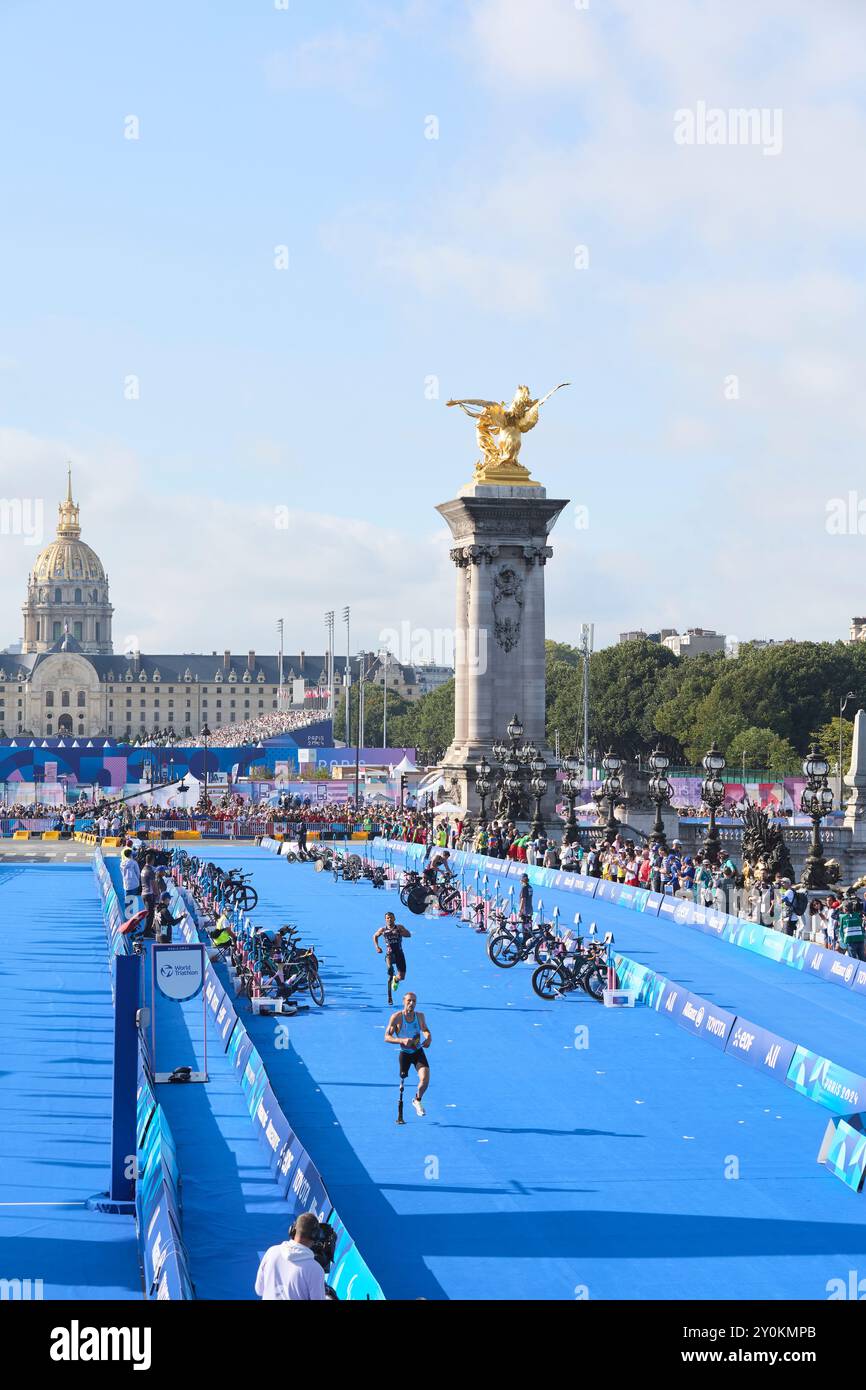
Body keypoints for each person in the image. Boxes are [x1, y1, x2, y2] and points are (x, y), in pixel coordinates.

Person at [254, 1212, 328, 1301]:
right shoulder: (315, 1269)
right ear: (315, 1235)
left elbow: (259, 1290)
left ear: (293, 1230)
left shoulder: (271, 1252)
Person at [385, 991, 431, 1117]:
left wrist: (428, 1038)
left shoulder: (420, 1016)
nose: (411, 1003)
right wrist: (401, 1040)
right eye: (409, 1001)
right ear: (403, 1001)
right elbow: (387, 1037)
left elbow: (425, 1030)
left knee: (425, 1079)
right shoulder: (397, 1017)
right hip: (404, 1054)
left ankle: (417, 1100)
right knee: (403, 1078)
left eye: (414, 1001)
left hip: (417, 1052)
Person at [373, 911, 412, 997]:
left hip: (399, 953)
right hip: (389, 955)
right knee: (390, 969)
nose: (389, 919)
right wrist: (377, 947)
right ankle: (390, 972)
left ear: (394, 919)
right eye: (388, 918)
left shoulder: (399, 927)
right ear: (385, 920)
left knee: (402, 977)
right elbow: (375, 936)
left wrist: (399, 933)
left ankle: (396, 979)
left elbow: (408, 935)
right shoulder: (382, 930)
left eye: (391, 917)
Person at [120, 847, 142, 912]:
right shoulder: (134, 863)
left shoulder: (121, 863)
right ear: (130, 855)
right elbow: (138, 873)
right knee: (133, 900)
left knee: (127, 899)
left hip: (126, 884)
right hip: (134, 884)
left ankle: (127, 914)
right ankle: (133, 916)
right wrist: (137, 880)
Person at [140, 852, 157, 933]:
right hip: (149, 894)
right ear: (152, 861)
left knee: (149, 913)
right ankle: (147, 932)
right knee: (150, 914)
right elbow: (154, 885)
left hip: (144, 893)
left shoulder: (143, 869)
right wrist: (157, 895)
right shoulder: (150, 871)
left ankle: (148, 929)